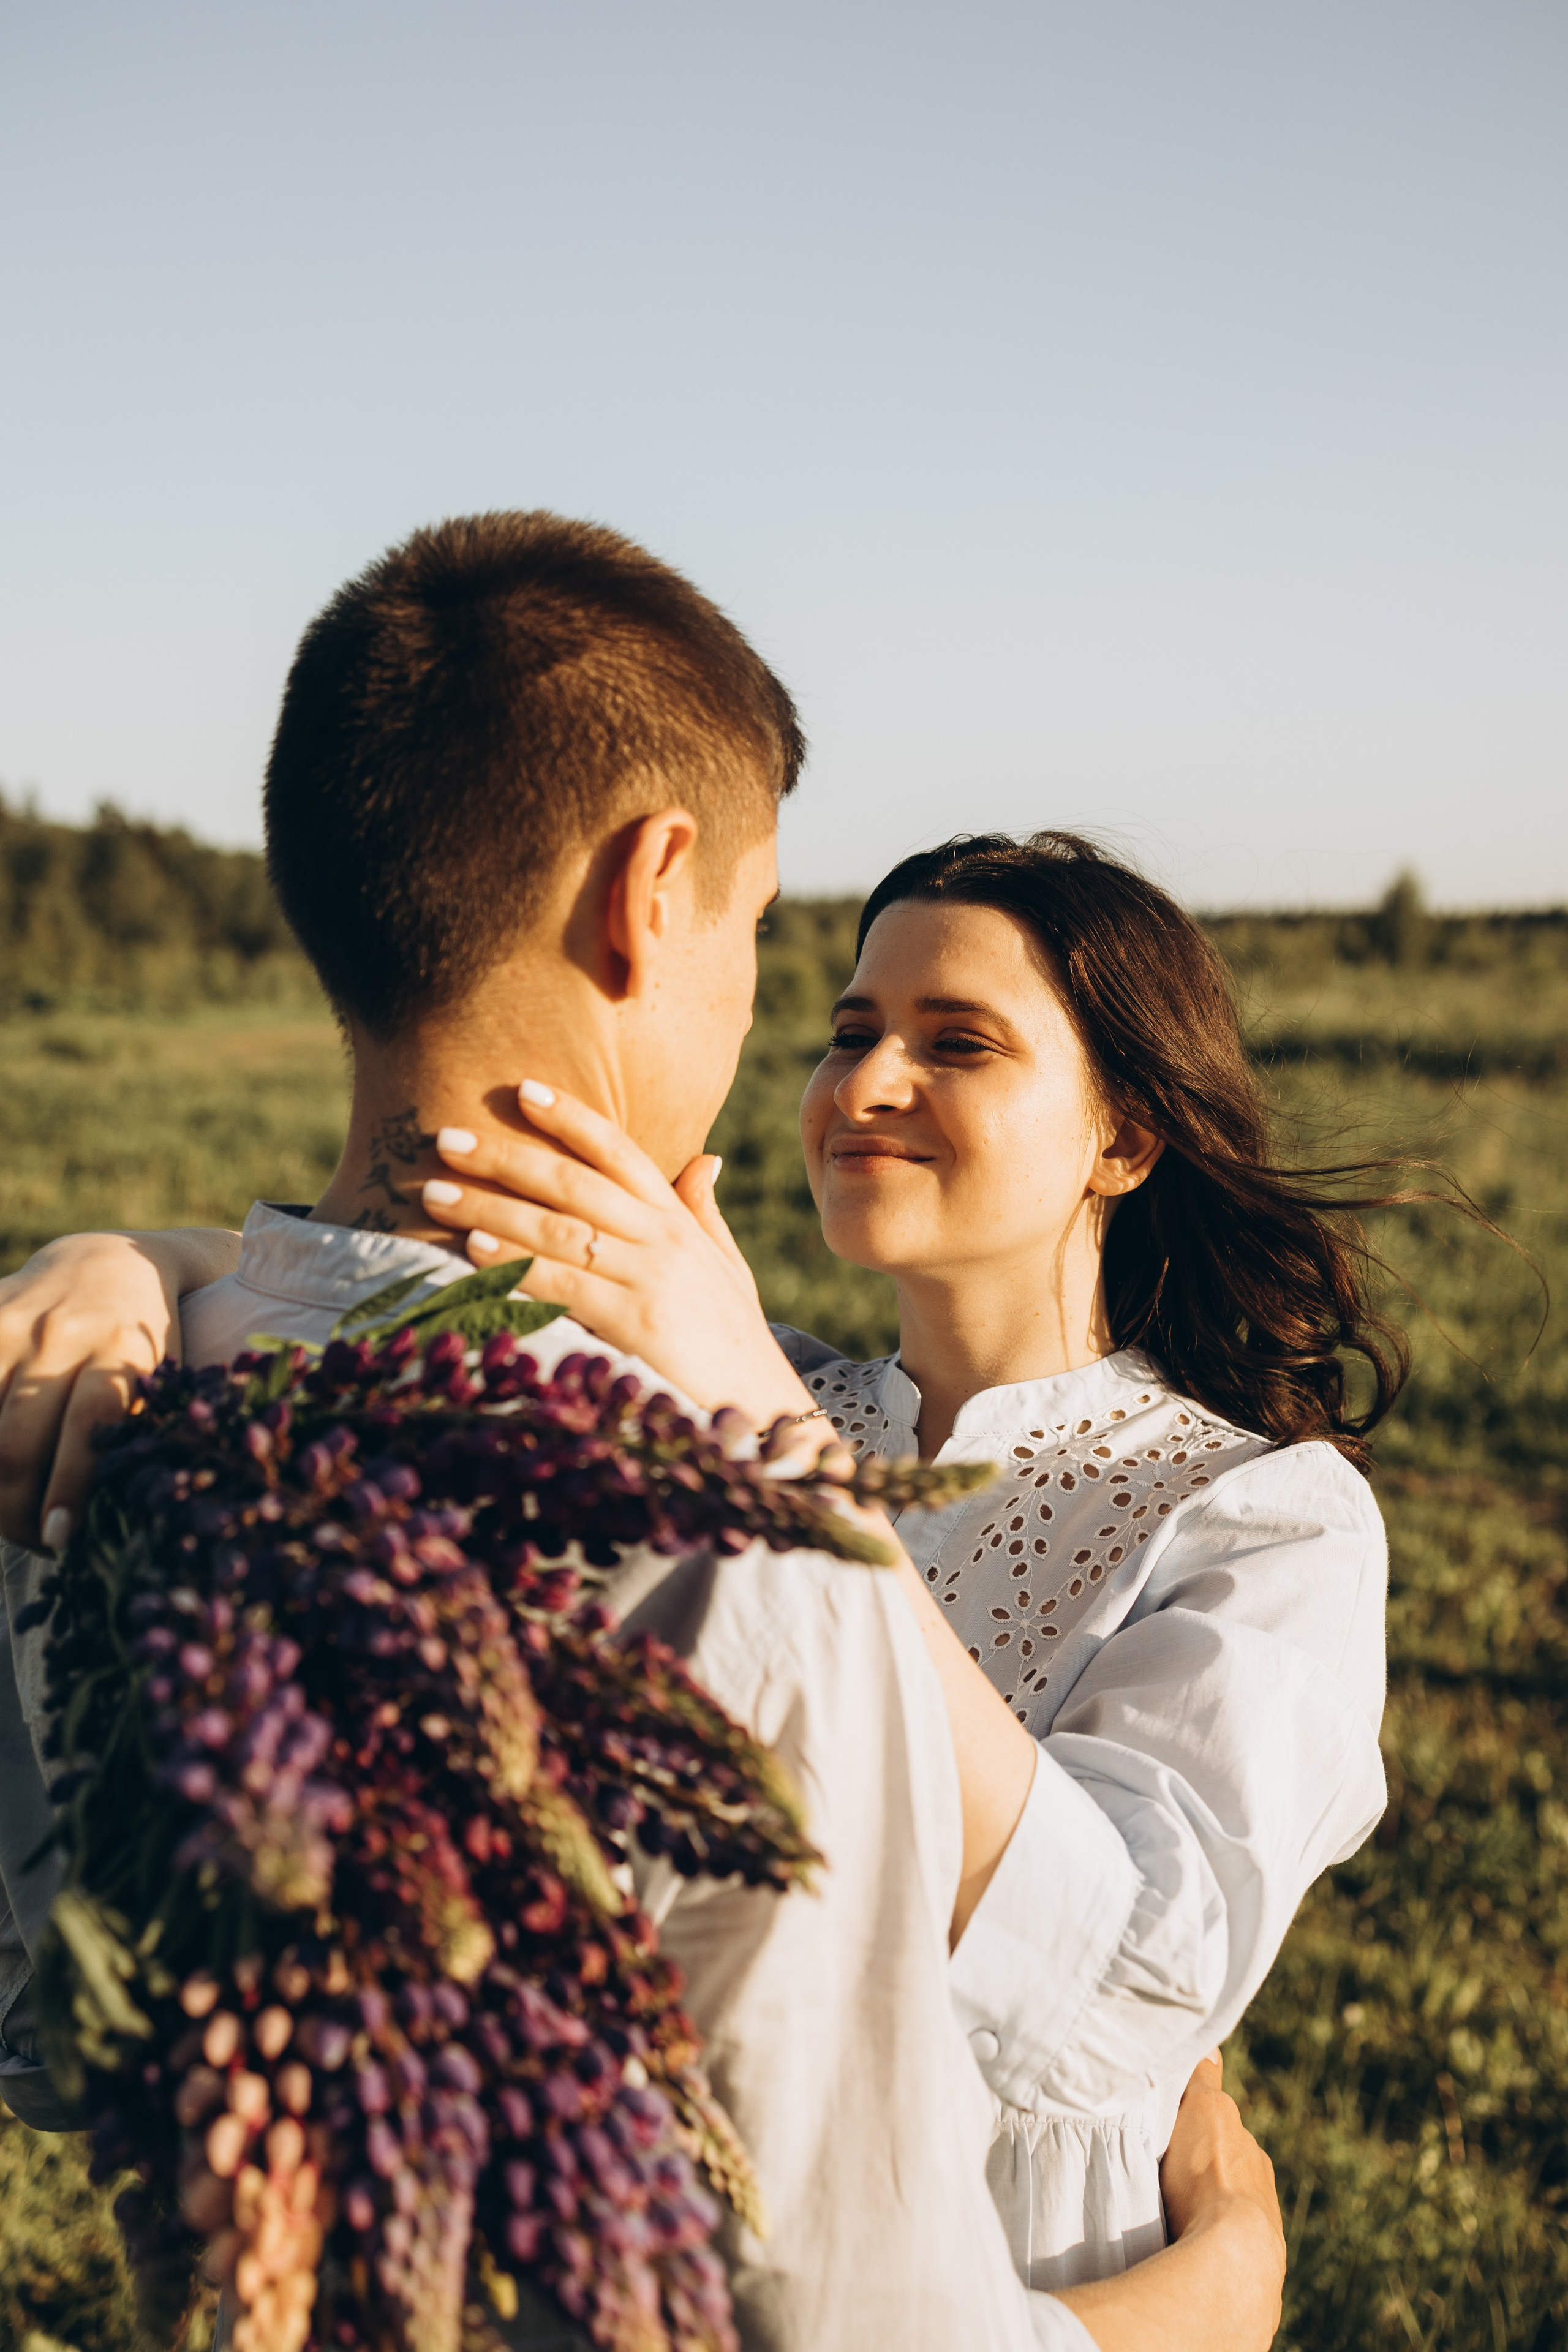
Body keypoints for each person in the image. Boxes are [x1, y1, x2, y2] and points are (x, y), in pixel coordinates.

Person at [0, 512, 1286, 2351]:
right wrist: (1200, 2313)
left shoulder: (71, 1404)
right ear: (649, 888)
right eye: (766, 932)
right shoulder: (744, 1544)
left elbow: (50, 2042)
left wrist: (135, 1255)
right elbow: (845, 2318)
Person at [298, 829, 1395, 2297]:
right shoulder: (752, 1393)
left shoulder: (1260, 1517)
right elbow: (382, 1277)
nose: (865, 1086)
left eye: (957, 1043)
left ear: (1122, 1141)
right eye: (849, 1032)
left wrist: (755, 1412)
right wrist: (126, 1269)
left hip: (1022, 2277)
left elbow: (1123, 1977)